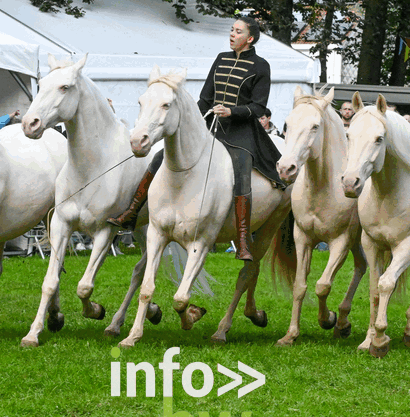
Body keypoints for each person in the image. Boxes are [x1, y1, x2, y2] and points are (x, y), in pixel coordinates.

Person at [108, 15, 281, 262]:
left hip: (242, 132)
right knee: (160, 157)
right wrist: (193, 122)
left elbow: (259, 107)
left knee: (242, 168)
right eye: (232, 30)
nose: (232, 34)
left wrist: (232, 111)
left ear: (250, 38)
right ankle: (131, 212)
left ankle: (242, 239)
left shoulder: (261, 66)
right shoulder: (221, 59)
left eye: (238, 32)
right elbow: (205, 99)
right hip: (211, 126)